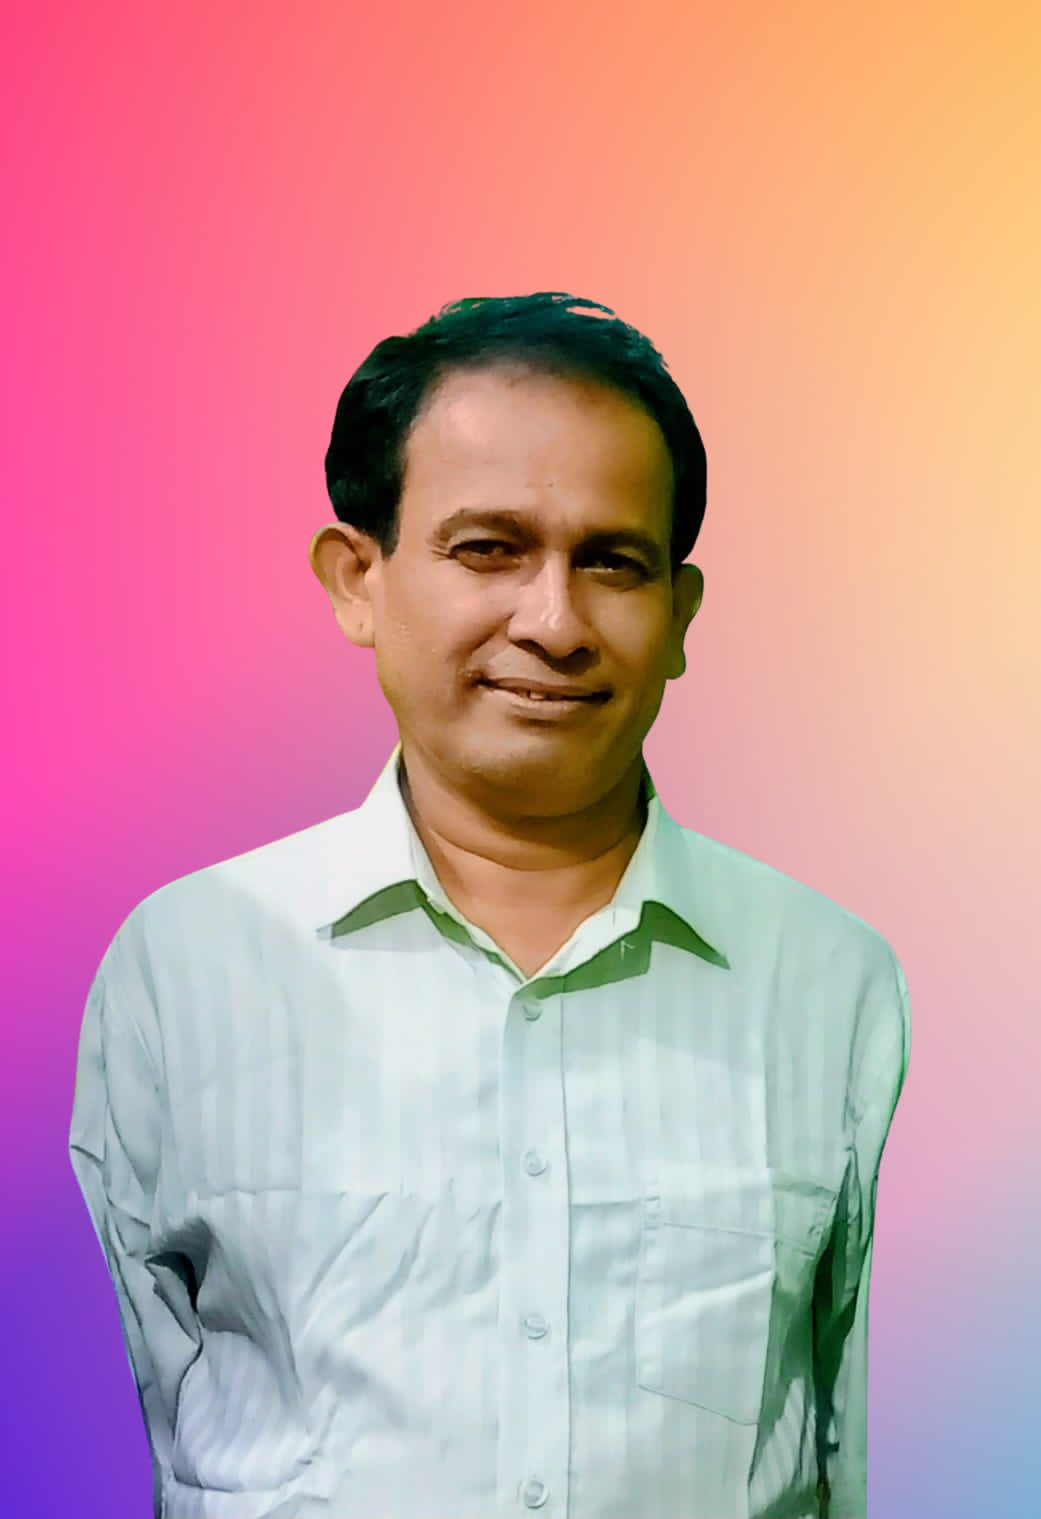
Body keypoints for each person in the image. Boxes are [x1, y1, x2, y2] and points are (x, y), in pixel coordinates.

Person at [70, 291, 910, 1519]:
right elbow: (167, 1420)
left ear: (679, 616)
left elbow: (847, 1443)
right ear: (357, 580)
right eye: (488, 549)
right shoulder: (185, 965)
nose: (554, 622)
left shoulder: (830, 982)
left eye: (612, 562)